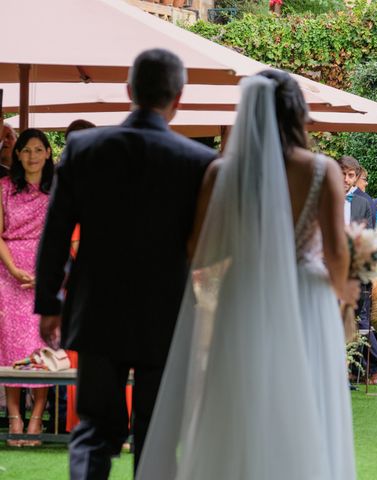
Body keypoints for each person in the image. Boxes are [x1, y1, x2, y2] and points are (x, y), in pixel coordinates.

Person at [137, 71, 358, 480]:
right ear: (296, 113)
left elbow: (198, 251)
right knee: (306, 401)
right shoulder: (320, 170)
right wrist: (341, 299)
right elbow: (336, 251)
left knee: (241, 401)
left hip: (241, 298)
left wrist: (208, 306)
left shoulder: (221, 173)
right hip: (306, 301)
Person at [35, 49, 217, 479]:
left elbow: (56, 233)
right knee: (157, 436)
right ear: (180, 98)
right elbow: (207, 245)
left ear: (129, 90)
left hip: (97, 308)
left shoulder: (84, 147)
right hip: (168, 312)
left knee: (95, 430)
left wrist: (49, 302)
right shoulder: (199, 162)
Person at [0, 128, 54, 447]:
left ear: (48, 153)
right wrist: (12, 268)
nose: (32, 156)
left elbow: (66, 235)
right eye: (26, 150)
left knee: (41, 343)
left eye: (38, 149)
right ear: (17, 154)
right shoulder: (4, 187)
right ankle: (15, 417)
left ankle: (37, 418)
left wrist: (46, 273)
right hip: (10, 269)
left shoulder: (60, 189)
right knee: (11, 343)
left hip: (47, 268)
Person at [338, 156, 377, 385]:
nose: (347, 179)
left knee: (352, 320)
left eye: (351, 175)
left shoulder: (363, 203)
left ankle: (350, 372)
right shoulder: (323, 197)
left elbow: (370, 238)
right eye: (343, 174)